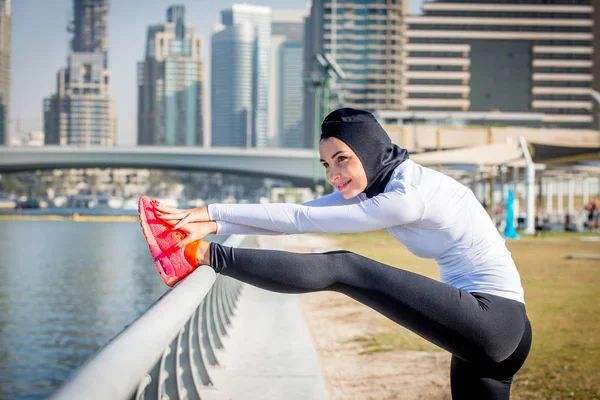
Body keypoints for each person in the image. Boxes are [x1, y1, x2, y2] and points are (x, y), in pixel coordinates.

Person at [140, 108, 532, 399]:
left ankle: (201, 256)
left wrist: (212, 217)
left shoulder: (408, 195)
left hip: (491, 320)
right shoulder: (382, 184)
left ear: (369, 149)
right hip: (490, 333)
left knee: (344, 267)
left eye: (342, 159)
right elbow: (294, 218)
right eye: (327, 164)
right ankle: (201, 249)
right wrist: (213, 220)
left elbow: (301, 218)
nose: (333, 174)